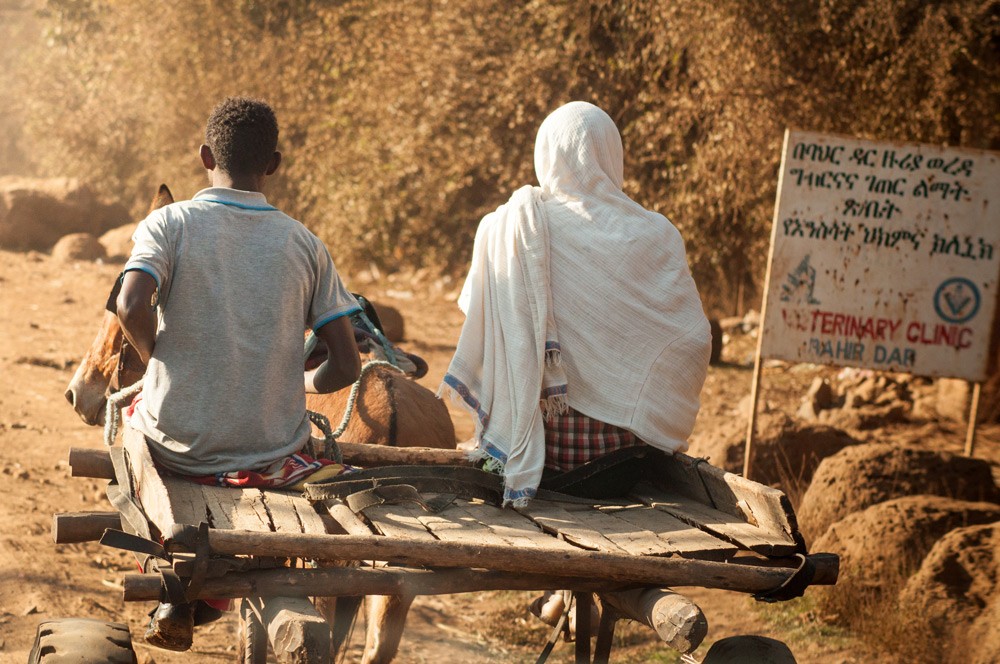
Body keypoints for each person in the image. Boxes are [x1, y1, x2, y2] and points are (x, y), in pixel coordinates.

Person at [117, 97, 362, 650]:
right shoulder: (306, 244)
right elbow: (345, 365)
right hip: (276, 455)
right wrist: (300, 383)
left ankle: (188, 587)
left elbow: (130, 306)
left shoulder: (170, 223)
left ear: (206, 156)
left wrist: (164, 354)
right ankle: (213, 594)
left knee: (128, 422)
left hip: (180, 450)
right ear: (273, 165)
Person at [442, 101, 711, 507]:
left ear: (545, 154)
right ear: (610, 153)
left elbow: (484, 320)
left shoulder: (505, 228)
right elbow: (693, 340)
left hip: (525, 455)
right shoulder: (655, 235)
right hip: (621, 465)